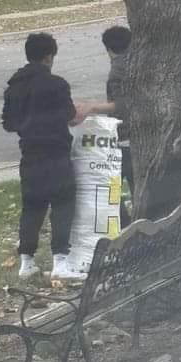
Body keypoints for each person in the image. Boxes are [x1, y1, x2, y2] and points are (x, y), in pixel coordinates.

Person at [2, 32, 86, 280]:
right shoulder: (57, 84)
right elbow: (69, 114)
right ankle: (60, 261)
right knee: (62, 203)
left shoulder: (13, 87)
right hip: (56, 152)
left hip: (29, 153)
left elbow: (8, 123)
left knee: (32, 206)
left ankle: (26, 262)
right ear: (49, 57)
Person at [80, 25, 133, 228]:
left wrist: (92, 107)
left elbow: (122, 105)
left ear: (109, 49)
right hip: (142, 136)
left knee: (111, 186)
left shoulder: (118, 69)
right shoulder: (138, 63)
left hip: (125, 139)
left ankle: (124, 224)